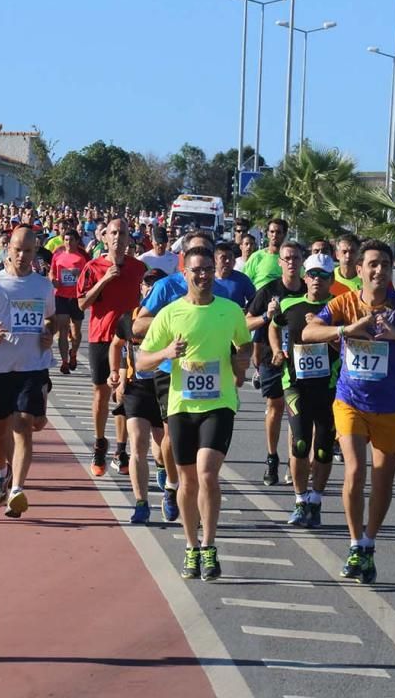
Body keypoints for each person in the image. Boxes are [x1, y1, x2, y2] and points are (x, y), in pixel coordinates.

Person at [302, 239, 395, 584]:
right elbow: (308, 331)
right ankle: (353, 542)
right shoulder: (345, 303)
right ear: (360, 269)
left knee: (382, 481)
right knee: (354, 470)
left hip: (391, 407)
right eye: (373, 264)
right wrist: (344, 330)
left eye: (385, 265)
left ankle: (368, 544)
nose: (379, 271)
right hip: (350, 401)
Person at [138, 247, 252, 581]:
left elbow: (244, 344)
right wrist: (166, 352)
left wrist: (240, 361)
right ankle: (191, 547)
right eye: (195, 270)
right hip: (181, 406)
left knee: (206, 473)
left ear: (214, 273)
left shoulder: (230, 311)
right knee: (187, 480)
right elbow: (142, 361)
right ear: (184, 274)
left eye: (207, 270)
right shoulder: (170, 314)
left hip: (219, 403)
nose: (202, 275)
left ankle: (209, 544)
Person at [133, 231, 225, 522]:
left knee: (206, 450)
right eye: (196, 255)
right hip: (170, 372)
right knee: (172, 437)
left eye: (207, 257)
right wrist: (169, 334)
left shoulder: (220, 289)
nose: (203, 272)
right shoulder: (166, 286)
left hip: (211, 373)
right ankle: (173, 486)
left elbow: (235, 322)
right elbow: (138, 325)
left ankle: (195, 490)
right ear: (184, 260)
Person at [0, 227, 57, 517]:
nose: (22, 256)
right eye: (17, 249)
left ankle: (17, 489)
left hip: (31, 367)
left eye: (28, 251)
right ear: (8, 249)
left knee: (23, 426)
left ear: (35, 253)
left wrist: (49, 333)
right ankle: (0, 473)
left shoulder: (43, 286)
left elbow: (51, 320)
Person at [269, 252, 340, 530]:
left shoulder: (337, 307)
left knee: (323, 449)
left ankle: (316, 500)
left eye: (323, 275)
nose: (316, 280)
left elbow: (348, 346)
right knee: (300, 443)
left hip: (329, 386)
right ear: (304, 277)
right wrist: (276, 350)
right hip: (295, 384)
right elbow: (273, 328)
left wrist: (327, 331)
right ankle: (299, 500)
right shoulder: (289, 304)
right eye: (312, 274)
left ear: (331, 279)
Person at [77, 218, 146, 477]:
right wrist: (104, 279)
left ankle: (121, 449)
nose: (118, 237)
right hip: (100, 337)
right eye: (113, 232)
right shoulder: (93, 267)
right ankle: (99, 443)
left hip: (128, 340)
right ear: (105, 237)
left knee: (123, 393)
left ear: (130, 238)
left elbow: (146, 301)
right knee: (101, 393)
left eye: (123, 232)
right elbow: (82, 304)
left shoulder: (139, 268)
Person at [247, 241, 306, 487]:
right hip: (272, 358)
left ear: (302, 262)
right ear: (280, 263)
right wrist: (266, 316)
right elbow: (246, 322)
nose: (291, 262)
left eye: (295, 258)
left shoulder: (309, 289)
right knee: (276, 406)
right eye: (287, 258)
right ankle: (272, 457)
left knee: (297, 409)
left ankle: (296, 461)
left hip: (301, 359)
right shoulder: (269, 290)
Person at [110, 269, 167, 523]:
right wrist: (116, 375)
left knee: (162, 450)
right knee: (138, 445)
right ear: (141, 289)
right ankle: (141, 503)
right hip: (136, 388)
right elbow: (116, 345)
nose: (150, 289)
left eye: (156, 285)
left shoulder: (171, 318)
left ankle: (168, 479)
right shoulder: (129, 318)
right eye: (147, 284)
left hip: (164, 387)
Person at [49, 228, 90, 374]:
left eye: (71, 240)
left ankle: (74, 353)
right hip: (61, 296)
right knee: (62, 330)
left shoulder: (81, 258)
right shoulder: (58, 256)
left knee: (76, 332)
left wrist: (79, 276)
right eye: (66, 240)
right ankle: (65, 361)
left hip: (76, 298)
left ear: (77, 241)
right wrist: (53, 280)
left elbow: (86, 278)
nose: (68, 242)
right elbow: (51, 271)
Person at [242, 218, 288, 291]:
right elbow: (243, 282)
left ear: (284, 234)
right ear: (267, 234)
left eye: (278, 232)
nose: (274, 235)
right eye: (272, 232)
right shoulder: (257, 256)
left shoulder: (290, 258)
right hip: (260, 300)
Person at [213, 242, 255, 310]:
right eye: (223, 258)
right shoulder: (207, 280)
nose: (227, 261)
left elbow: (254, 301)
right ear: (215, 260)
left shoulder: (242, 279)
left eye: (230, 257)